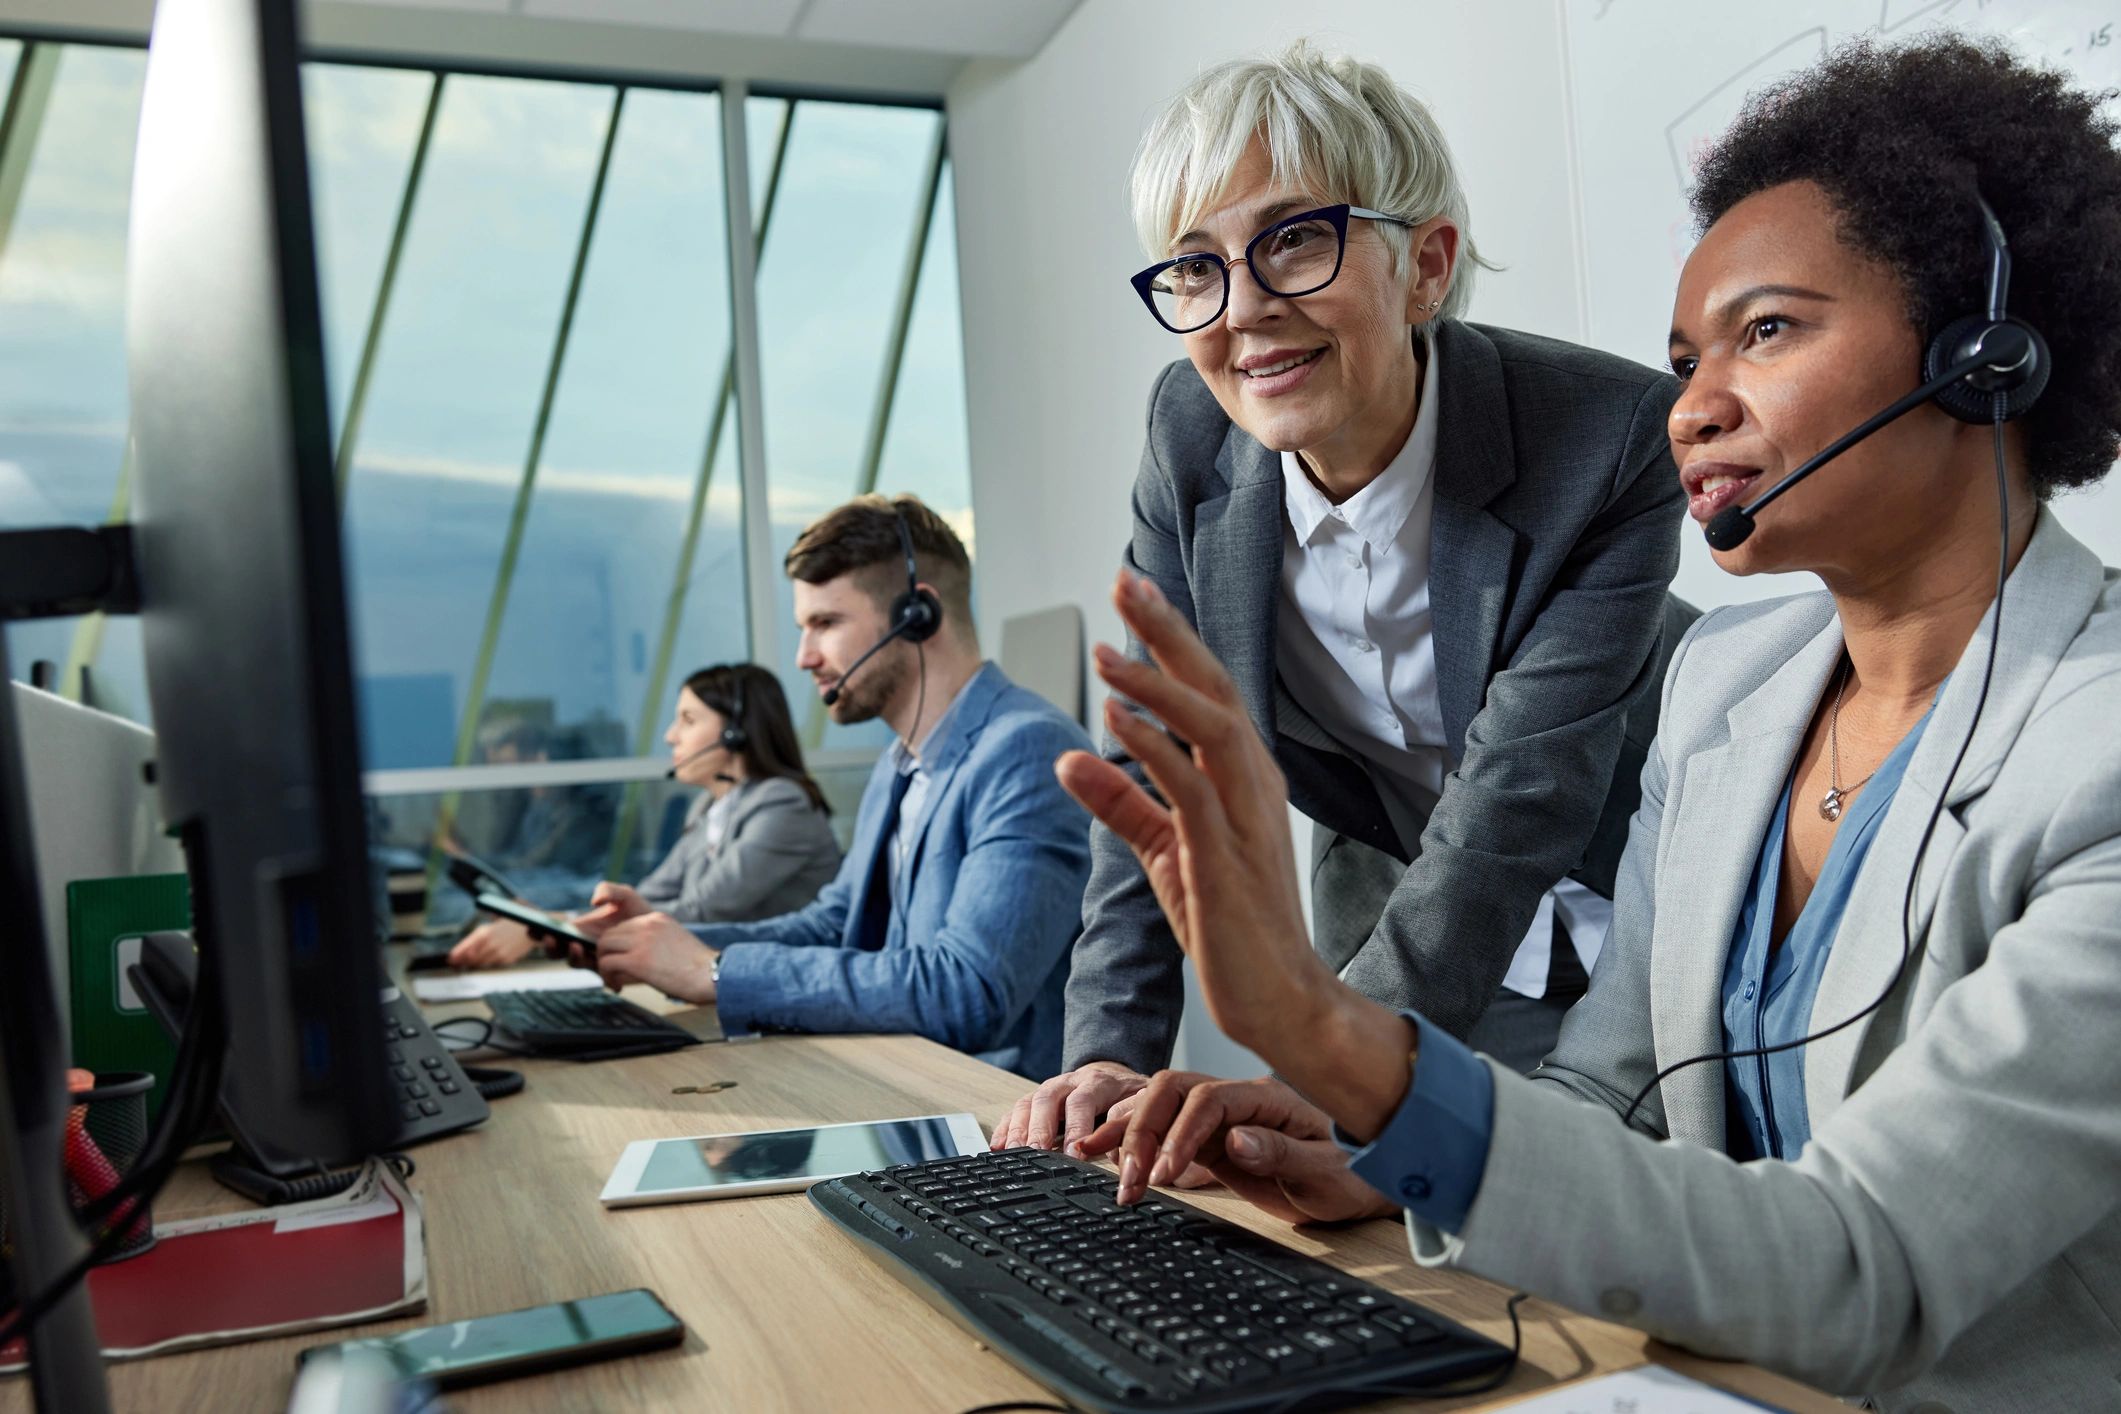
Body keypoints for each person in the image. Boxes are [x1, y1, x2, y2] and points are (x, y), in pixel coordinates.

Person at [1058, 35, 2121, 1410]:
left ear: (1981, 358)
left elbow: (1865, 1263)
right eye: (1687, 356)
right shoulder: (1731, 687)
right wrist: (1391, 1147)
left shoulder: (2091, 757)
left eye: (1767, 330)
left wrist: (1342, 1045)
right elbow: (1613, 1094)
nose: (1691, 407)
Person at [1002, 40, 1695, 1153]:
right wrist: (1106, 1055)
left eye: (1293, 239)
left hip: (1638, 916)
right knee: (1364, 1221)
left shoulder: (1605, 439)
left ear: (1426, 265)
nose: (1242, 310)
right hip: (1394, 918)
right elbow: (1157, 765)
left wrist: (1325, 1068)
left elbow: (1520, 798)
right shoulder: (1188, 436)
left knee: (1596, 1218)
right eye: (1195, 267)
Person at [580, 495, 1095, 1080]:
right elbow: (833, 924)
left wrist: (717, 973)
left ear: (917, 614)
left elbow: (967, 992)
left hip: (989, 1109)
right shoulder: (897, 766)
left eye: (824, 624)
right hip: (899, 1079)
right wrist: (665, 940)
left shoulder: (1027, 751)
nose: (804, 657)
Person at [448, 663, 840, 968]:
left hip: (779, 983)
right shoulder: (708, 808)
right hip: (724, 974)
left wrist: (554, 924)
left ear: (736, 733)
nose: (670, 736)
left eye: (688, 720)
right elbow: (650, 897)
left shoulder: (783, 804)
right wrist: (552, 920)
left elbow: (701, 912)